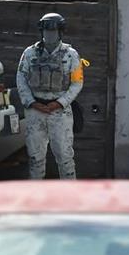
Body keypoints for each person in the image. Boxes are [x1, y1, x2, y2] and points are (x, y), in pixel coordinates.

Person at [16, 13, 83, 180]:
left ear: (61, 32)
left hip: (60, 112)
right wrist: (32, 102)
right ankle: (36, 193)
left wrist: (60, 103)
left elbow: (77, 83)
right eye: (46, 31)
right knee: (35, 157)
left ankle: (70, 193)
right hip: (35, 111)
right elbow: (21, 78)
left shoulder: (71, 54)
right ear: (41, 31)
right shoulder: (30, 53)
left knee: (65, 157)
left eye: (53, 31)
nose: (49, 35)